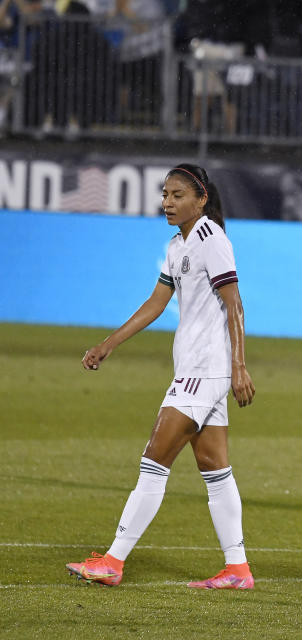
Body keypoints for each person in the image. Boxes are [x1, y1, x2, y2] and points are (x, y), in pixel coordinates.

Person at [66, 164, 256, 589]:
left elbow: (235, 305)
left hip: (204, 372)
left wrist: (238, 365)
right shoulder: (177, 245)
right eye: (165, 195)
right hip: (196, 370)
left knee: (153, 464)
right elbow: (156, 304)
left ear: (201, 198)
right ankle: (237, 569)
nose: (167, 203)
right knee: (215, 469)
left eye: (177, 195)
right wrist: (108, 344)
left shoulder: (212, 240)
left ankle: (113, 562)